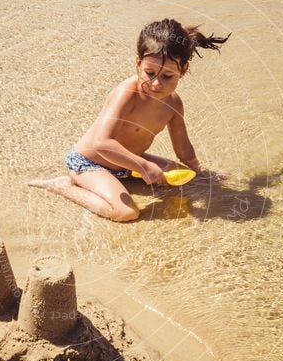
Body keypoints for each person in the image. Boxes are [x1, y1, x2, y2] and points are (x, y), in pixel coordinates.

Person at [28, 18, 230, 222]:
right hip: (90, 163)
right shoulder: (126, 93)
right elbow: (101, 144)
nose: (156, 83)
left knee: (186, 177)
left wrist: (199, 173)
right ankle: (65, 187)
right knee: (126, 213)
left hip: (128, 163)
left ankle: (130, 176)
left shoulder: (174, 104)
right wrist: (144, 166)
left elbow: (183, 150)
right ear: (138, 63)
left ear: (183, 70)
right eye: (149, 73)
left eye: (168, 76)